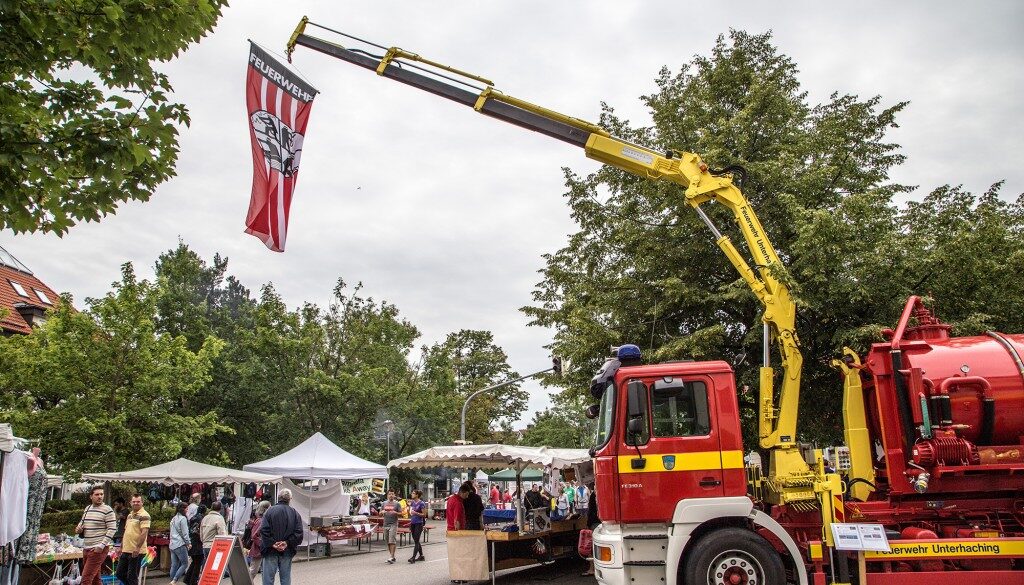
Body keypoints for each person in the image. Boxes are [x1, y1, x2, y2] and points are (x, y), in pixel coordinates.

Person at [259, 488, 303, 585]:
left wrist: (273, 543)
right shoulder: (295, 513)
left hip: (270, 550)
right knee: (285, 579)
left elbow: (263, 530)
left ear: (278, 498)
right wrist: (286, 543)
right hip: (287, 551)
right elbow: (299, 533)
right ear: (290, 499)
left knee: (268, 580)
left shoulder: (269, 511)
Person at [76, 486, 116, 585]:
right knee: (95, 579)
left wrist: (101, 546)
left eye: (101, 494)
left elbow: (112, 529)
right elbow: (82, 523)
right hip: (86, 547)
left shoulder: (107, 510)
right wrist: (78, 529)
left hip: (98, 549)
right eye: (97, 494)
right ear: (91, 496)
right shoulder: (88, 508)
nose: (100, 497)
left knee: (86, 579)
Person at [116, 494, 150, 585]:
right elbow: (126, 532)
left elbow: (144, 532)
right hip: (126, 549)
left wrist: (137, 547)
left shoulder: (145, 515)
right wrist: (121, 546)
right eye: (134, 501)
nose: (136, 503)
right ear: (130, 503)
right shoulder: (129, 515)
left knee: (132, 576)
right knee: (119, 574)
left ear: (142, 503)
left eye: (138, 501)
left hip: (136, 551)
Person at [182, 504, 206, 585]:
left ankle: (187, 579)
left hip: (192, 542)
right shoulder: (202, 519)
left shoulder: (192, 518)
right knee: (198, 562)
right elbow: (201, 532)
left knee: (194, 561)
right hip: (198, 543)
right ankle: (193, 581)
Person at [247, 501, 271, 579]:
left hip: (261, 548)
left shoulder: (262, 519)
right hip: (259, 549)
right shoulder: (261, 521)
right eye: (270, 508)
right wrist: (262, 544)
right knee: (253, 570)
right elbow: (254, 536)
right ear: (265, 509)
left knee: (258, 570)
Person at [168, 502, 190, 585]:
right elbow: (185, 533)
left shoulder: (173, 518)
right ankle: (174, 581)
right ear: (183, 509)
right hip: (180, 544)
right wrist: (188, 543)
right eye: (186, 508)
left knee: (174, 565)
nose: (187, 510)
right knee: (185, 563)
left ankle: (171, 581)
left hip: (172, 544)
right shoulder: (183, 519)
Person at [380, 490, 403, 564]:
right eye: (389, 494)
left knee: (392, 540)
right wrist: (382, 512)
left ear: (394, 495)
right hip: (385, 524)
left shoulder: (397, 504)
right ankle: (392, 556)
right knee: (388, 541)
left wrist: (395, 512)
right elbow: (380, 513)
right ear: (387, 495)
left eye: (392, 494)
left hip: (393, 524)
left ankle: (392, 556)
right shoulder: (384, 503)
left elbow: (401, 514)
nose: (391, 495)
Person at [583, 484, 599, 577]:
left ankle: (592, 569)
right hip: (600, 522)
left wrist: (588, 524)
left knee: (591, 547)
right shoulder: (600, 493)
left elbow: (591, 511)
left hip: (594, 523)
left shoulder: (594, 495)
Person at [407, 490, 427, 563]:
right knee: (416, 540)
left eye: (413, 493)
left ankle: (413, 558)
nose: (412, 494)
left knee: (416, 541)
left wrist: (416, 513)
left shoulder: (422, 503)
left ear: (417, 495)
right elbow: (410, 512)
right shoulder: (412, 502)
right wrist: (409, 510)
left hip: (419, 523)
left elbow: (424, 515)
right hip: (413, 523)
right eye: (412, 493)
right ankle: (421, 556)